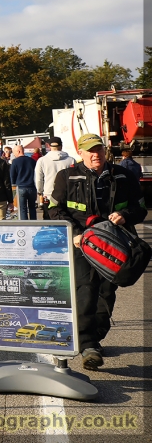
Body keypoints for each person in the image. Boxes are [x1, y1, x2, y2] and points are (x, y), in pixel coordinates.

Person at [49, 133, 147, 370]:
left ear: (105, 152)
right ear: (80, 153)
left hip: (113, 246)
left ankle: (96, 336)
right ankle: (88, 345)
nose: (96, 154)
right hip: (82, 245)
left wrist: (125, 215)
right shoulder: (67, 176)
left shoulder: (123, 176)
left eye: (99, 150)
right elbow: (53, 210)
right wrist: (74, 232)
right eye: (90, 150)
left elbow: (141, 208)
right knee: (85, 290)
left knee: (106, 292)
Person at [35, 136, 75, 219]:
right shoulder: (71, 160)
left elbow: (38, 178)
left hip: (49, 194)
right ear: (61, 146)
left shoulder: (42, 160)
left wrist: (40, 191)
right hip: (67, 194)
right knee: (67, 219)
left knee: (49, 219)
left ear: (49, 146)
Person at [9, 144, 37, 220]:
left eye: (14, 152)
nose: (14, 154)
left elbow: (12, 176)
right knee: (32, 207)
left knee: (22, 208)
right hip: (32, 186)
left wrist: (13, 186)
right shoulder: (32, 161)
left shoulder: (15, 162)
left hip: (20, 187)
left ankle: (25, 225)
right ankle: (34, 224)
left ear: (18, 151)